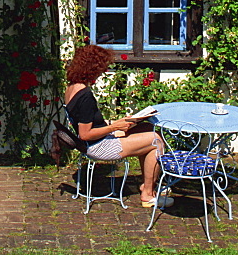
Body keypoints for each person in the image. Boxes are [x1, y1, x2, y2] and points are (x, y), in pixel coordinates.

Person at [64, 44, 172, 208]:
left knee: (148, 130)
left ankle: (147, 183)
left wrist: (119, 123)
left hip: (93, 142)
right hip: (97, 146)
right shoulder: (85, 96)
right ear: (92, 68)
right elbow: (85, 134)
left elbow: (88, 122)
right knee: (156, 141)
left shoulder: (72, 88)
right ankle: (148, 194)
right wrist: (115, 128)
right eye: (101, 68)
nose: (103, 72)